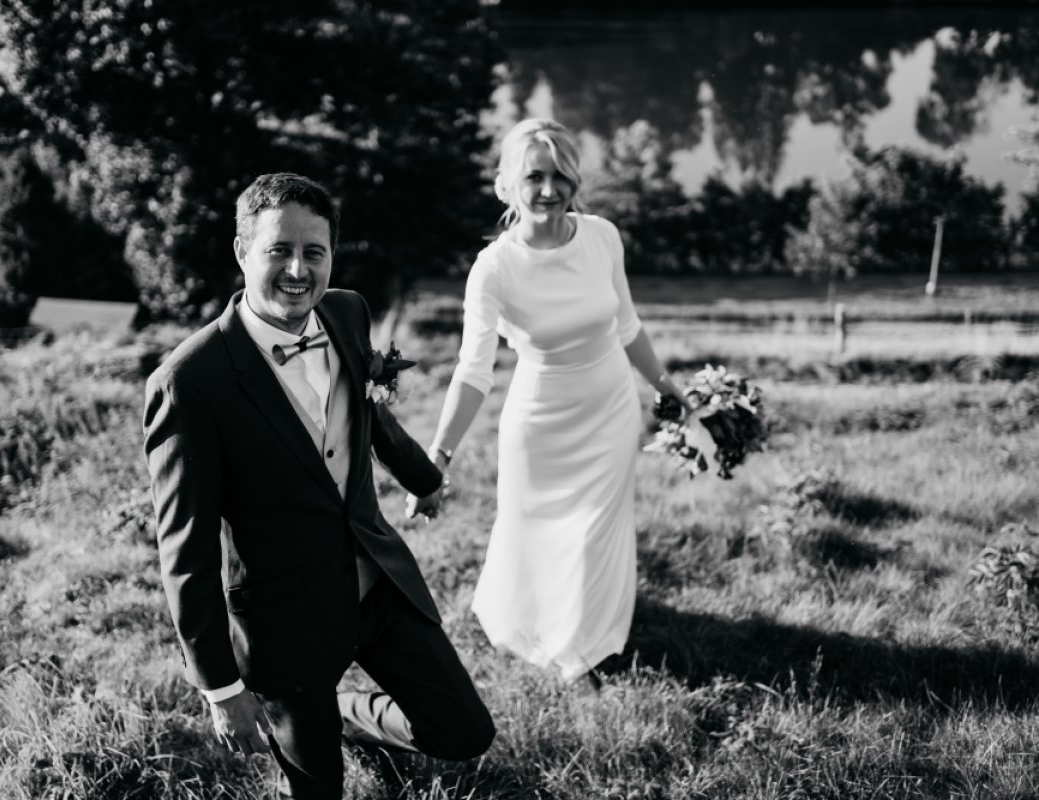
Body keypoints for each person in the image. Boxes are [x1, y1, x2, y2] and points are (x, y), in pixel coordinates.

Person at [143, 172, 494, 799]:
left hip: (375, 585)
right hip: (285, 623)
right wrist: (220, 687)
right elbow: (185, 550)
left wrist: (424, 477)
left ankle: (351, 716)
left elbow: (370, 417)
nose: (298, 270)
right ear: (242, 251)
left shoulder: (346, 311)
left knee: (464, 732)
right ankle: (316, 725)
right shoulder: (189, 382)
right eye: (279, 250)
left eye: (315, 252)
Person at [417, 118, 697, 687]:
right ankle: (550, 633)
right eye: (535, 177)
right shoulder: (494, 269)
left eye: (561, 175)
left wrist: (664, 383)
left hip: (610, 409)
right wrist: (436, 459)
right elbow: (473, 372)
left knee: (595, 536)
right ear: (506, 185)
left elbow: (626, 325)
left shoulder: (603, 237)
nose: (550, 190)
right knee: (540, 535)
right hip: (539, 421)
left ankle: (584, 652)